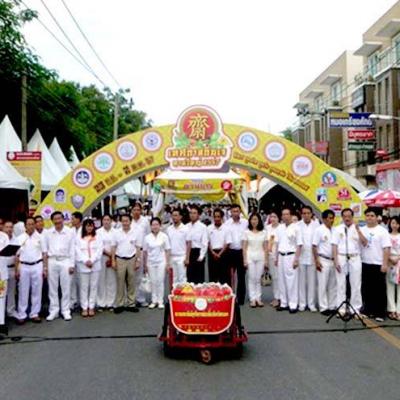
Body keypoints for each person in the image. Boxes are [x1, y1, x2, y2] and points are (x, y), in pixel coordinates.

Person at [42, 211, 75, 321]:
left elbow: (72, 249)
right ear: (52, 221)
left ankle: (65, 310)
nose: (57, 221)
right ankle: (54, 310)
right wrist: (45, 267)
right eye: (55, 219)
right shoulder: (48, 233)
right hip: (52, 260)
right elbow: (45, 251)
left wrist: (72, 264)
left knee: (66, 287)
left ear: (63, 219)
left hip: (65, 260)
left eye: (59, 218)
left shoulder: (69, 232)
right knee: (52, 288)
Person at [359, 207, 391, 322]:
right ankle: (368, 310)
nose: (369, 218)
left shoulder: (382, 231)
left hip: (378, 263)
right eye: (367, 216)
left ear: (377, 217)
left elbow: (386, 248)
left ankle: (380, 313)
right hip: (365, 262)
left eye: (372, 216)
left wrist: (384, 264)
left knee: (379, 289)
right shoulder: (361, 230)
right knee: (366, 288)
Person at [331, 208, 364, 317]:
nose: (347, 218)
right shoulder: (337, 229)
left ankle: (355, 309)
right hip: (341, 257)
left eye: (349, 216)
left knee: (356, 284)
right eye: (345, 216)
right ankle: (341, 308)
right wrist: (335, 260)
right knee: (340, 284)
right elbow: (334, 245)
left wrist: (358, 231)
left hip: (355, 257)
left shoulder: (358, 228)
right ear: (342, 217)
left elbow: (365, 243)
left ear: (352, 217)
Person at [15, 217, 46, 323]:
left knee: (37, 290)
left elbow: (44, 253)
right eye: (29, 224)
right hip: (23, 266)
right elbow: (17, 255)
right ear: (25, 226)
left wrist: (45, 268)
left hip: (37, 265)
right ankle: (22, 314)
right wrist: (16, 270)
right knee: (23, 290)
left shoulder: (40, 237)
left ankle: (34, 313)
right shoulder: (19, 238)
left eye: (33, 224)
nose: (31, 226)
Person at [111, 214, 141, 314]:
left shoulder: (135, 232)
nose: (125, 223)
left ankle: (131, 303)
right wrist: (113, 260)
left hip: (132, 258)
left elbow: (138, 247)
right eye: (123, 221)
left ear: (130, 221)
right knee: (120, 281)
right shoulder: (116, 233)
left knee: (131, 281)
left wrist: (138, 260)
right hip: (120, 259)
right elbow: (113, 247)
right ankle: (120, 304)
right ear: (120, 222)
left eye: (127, 221)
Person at [275, 208, 303, 313]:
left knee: (292, 281)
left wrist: (296, 259)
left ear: (291, 215)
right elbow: (277, 243)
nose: (285, 216)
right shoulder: (280, 228)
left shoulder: (296, 228)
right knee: (281, 280)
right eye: (283, 214)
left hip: (291, 255)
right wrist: (276, 257)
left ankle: (293, 304)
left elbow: (299, 245)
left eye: (287, 214)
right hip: (281, 255)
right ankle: (284, 303)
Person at [75, 219, 103, 317]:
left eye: (91, 226)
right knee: (84, 287)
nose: (89, 228)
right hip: (83, 265)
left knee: (93, 286)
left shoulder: (98, 237)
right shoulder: (79, 238)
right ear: (84, 227)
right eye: (87, 226)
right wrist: (86, 260)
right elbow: (77, 251)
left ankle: (91, 307)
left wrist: (92, 260)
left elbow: (99, 250)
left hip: (95, 265)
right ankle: (84, 307)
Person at [143, 218, 171, 309]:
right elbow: (145, 252)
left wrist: (167, 263)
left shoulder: (164, 236)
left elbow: (167, 250)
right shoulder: (147, 237)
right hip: (150, 262)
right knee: (153, 281)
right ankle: (154, 300)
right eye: (153, 225)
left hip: (161, 262)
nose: (155, 227)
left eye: (156, 225)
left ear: (160, 226)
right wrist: (145, 265)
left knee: (160, 281)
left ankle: (160, 301)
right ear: (150, 226)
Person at [312, 209, 336, 316]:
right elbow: (314, 246)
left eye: (332, 218)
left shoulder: (335, 230)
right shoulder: (319, 230)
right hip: (323, 259)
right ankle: (323, 307)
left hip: (333, 260)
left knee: (332, 284)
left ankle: (332, 305)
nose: (331, 220)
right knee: (323, 284)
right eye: (329, 218)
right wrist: (317, 260)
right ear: (324, 219)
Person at [242, 213, 268, 307]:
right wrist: (245, 260)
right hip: (250, 257)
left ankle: (258, 298)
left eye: (256, 219)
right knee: (251, 278)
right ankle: (252, 299)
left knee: (258, 278)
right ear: (250, 221)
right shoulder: (246, 232)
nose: (254, 221)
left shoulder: (264, 232)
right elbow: (244, 247)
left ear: (259, 220)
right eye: (252, 219)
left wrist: (266, 260)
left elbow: (265, 248)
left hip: (260, 257)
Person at [225, 204, 248, 305]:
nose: (235, 213)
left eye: (237, 211)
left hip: (241, 251)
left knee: (241, 276)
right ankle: (230, 296)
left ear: (240, 212)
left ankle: (241, 298)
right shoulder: (227, 224)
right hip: (230, 251)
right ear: (230, 212)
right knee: (230, 276)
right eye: (233, 211)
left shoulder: (245, 223)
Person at [297, 206, 319, 312]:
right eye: (304, 213)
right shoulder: (297, 225)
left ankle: (311, 304)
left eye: (308, 213)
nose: (306, 215)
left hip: (312, 257)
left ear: (311, 214)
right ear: (301, 214)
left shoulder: (316, 225)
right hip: (301, 256)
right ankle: (302, 303)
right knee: (301, 281)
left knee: (312, 281)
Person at [131, 203, 151, 307]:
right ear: (131, 211)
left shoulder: (145, 221)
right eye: (134, 210)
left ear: (141, 210)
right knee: (131, 276)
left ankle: (141, 298)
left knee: (140, 276)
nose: (136, 212)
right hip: (130, 251)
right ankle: (131, 298)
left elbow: (148, 236)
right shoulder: (128, 221)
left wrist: (147, 253)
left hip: (142, 251)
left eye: (138, 210)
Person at [96, 214, 117, 310]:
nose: (106, 222)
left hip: (113, 257)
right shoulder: (98, 232)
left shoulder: (116, 232)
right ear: (102, 221)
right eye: (104, 220)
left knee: (111, 280)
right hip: (102, 257)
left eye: (108, 220)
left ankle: (111, 302)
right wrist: (107, 254)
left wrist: (112, 256)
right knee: (101, 280)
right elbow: (98, 245)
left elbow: (117, 245)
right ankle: (101, 303)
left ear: (111, 221)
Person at [207, 209, 232, 284]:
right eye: (215, 217)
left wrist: (219, 254)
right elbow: (207, 242)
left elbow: (227, 243)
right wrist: (213, 253)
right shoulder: (209, 228)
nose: (216, 219)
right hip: (212, 254)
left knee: (224, 279)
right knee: (213, 279)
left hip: (223, 254)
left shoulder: (227, 228)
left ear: (222, 217)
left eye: (218, 217)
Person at [185, 205, 208, 284]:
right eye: (191, 213)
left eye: (194, 213)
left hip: (198, 252)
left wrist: (201, 256)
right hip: (189, 253)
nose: (192, 215)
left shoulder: (203, 227)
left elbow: (204, 243)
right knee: (189, 277)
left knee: (199, 278)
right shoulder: (186, 226)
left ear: (198, 215)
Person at [166, 209, 188, 285]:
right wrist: (167, 260)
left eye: (176, 215)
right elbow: (167, 245)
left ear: (180, 217)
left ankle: (182, 293)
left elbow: (188, 243)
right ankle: (175, 292)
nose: (174, 217)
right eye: (173, 215)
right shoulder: (169, 229)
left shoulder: (185, 228)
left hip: (182, 256)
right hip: (172, 256)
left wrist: (187, 258)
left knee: (182, 279)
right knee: (174, 279)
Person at [3, 221, 19, 319]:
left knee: (11, 291)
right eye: (7, 227)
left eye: (11, 227)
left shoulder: (16, 239)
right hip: (2, 270)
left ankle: (11, 311)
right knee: (1, 292)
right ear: (3, 228)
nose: (9, 229)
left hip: (12, 268)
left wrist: (17, 270)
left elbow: (18, 256)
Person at [265, 212, 280, 307]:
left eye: (275, 217)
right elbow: (266, 243)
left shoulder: (281, 228)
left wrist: (277, 257)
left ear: (278, 218)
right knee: (274, 277)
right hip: (270, 255)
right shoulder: (267, 228)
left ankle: (281, 298)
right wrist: (266, 258)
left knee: (279, 278)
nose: (273, 219)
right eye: (271, 217)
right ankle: (276, 297)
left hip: (279, 256)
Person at [387, 216, 400, 320]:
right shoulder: (386, 235)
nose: (394, 225)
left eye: (397, 223)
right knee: (389, 286)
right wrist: (390, 259)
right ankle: (391, 309)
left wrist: (397, 258)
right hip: (389, 262)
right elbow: (384, 249)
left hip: (399, 261)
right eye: (393, 223)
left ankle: (399, 310)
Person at [70, 211, 83, 312]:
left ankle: (82, 301)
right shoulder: (70, 231)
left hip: (82, 259)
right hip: (72, 259)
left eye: (73, 218)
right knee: (72, 281)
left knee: (82, 281)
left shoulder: (85, 230)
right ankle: (73, 301)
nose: (71, 220)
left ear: (78, 219)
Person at [0, 227, 10, 334]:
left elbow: (8, 252)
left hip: (2, 273)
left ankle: (1, 323)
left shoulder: (4, 236)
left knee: (1, 298)